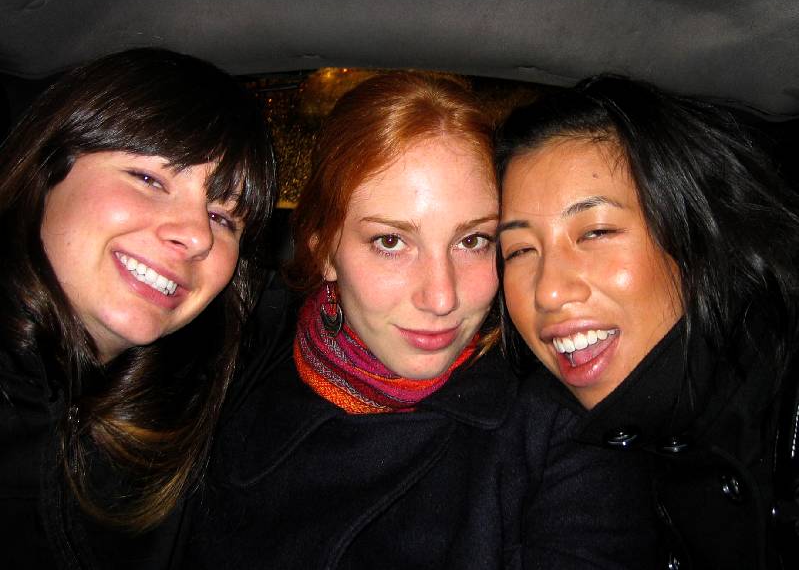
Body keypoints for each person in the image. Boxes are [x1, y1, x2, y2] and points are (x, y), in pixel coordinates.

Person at [184, 72, 658, 569]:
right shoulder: (226, 378)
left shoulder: (562, 435)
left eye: (472, 241)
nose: (441, 297)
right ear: (324, 249)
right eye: (391, 242)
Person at [496, 74, 799, 569]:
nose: (548, 291)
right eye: (520, 250)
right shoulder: (561, 445)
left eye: (595, 232)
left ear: (696, 235)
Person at [0, 48, 276, 569]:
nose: (196, 235)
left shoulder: (188, 399)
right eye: (149, 180)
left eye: (223, 218)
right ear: (46, 171)